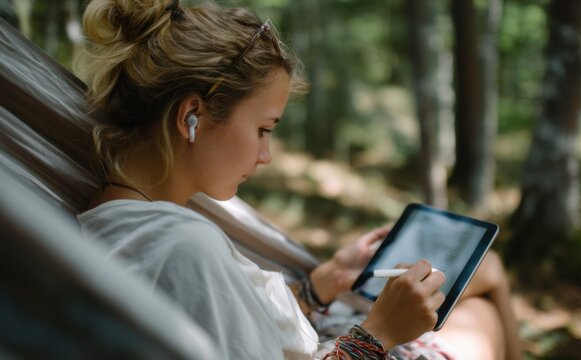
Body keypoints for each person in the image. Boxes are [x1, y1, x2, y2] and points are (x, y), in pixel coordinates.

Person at [77, 0, 522, 359]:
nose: (266, 155)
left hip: (323, 333)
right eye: (263, 130)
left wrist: (321, 283)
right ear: (191, 116)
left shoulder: (116, 222)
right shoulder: (181, 246)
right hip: (351, 347)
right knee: (487, 284)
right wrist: (379, 334)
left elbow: (234, 322)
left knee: (483, 280)